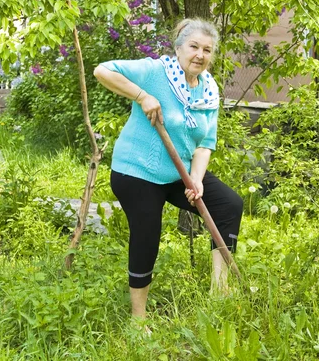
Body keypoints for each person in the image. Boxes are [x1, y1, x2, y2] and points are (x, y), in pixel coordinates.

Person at [93, 18, 243, 320]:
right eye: (194, 47)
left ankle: (220, 290)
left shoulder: (209, 91)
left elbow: (205, 144)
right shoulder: (155, 72)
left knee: (228, 203)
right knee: (148, 232)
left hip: (177, 173)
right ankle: (138, 319)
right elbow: (102, 70)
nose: (200, 54)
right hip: (136, 171)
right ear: (178, 48)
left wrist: (197, 180)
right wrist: (142, 96)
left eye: (207, 50)